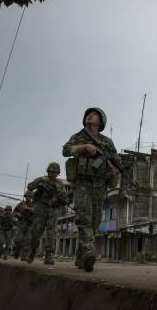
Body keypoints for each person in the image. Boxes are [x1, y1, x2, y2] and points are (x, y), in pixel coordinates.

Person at [62, 107, 119, 272]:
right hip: (82, 184)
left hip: (100, 185)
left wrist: (113, 169)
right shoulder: (79, 136)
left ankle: (81, 256)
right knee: (84, 218)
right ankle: (89, 251)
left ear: (100, 121)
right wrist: (83, 147)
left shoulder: (107, 142)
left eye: (94, 114)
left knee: (94, 223)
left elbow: (114, 159)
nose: (89, 115)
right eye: (88, 113)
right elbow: (66, 150)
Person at [26, 163, 68, 265]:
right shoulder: (42, 179)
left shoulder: (60, 184)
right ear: (48, 171)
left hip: (53, 210)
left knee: (51, 233)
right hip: (41, 208)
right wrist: (40, 182)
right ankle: (33, 250)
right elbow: (30, 187)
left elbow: (64, 198)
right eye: (51, 171)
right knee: (36, 232)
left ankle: (48, 255)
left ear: (58, 173)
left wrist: (57, 201)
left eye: (55, 172)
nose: (53, 174)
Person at [13, 190, 35, 261]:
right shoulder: (21, 204)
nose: (28, 198)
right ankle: (17, 250)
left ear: (31, 197)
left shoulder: (34, 205)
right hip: (21, 223)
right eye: (27, 196)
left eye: (29, 196)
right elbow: (14, 212)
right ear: (25, 197)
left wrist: (28, 208)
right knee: (18, 239)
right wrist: (17, 214)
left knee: (28, 240)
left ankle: (24, 256)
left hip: (29, 224)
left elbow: (36, 211)